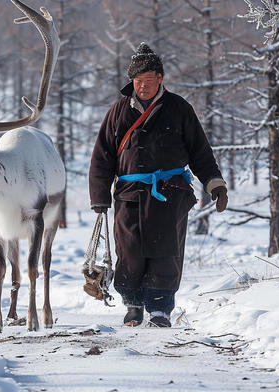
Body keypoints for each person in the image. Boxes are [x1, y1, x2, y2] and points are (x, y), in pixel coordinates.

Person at [89, 43, 228, 328]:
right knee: (129, 251)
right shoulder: (118, 112)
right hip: (130, 195)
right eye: (138, 81)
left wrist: (216, 186)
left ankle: (161, 309)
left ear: (160, 79)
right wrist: (99, 197)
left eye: (148, 81)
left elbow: (200, 152)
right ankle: (133, 305)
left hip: (170, 194)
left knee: (167, 251)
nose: (142, 86)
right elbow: (102, 155)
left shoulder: (179, 109)